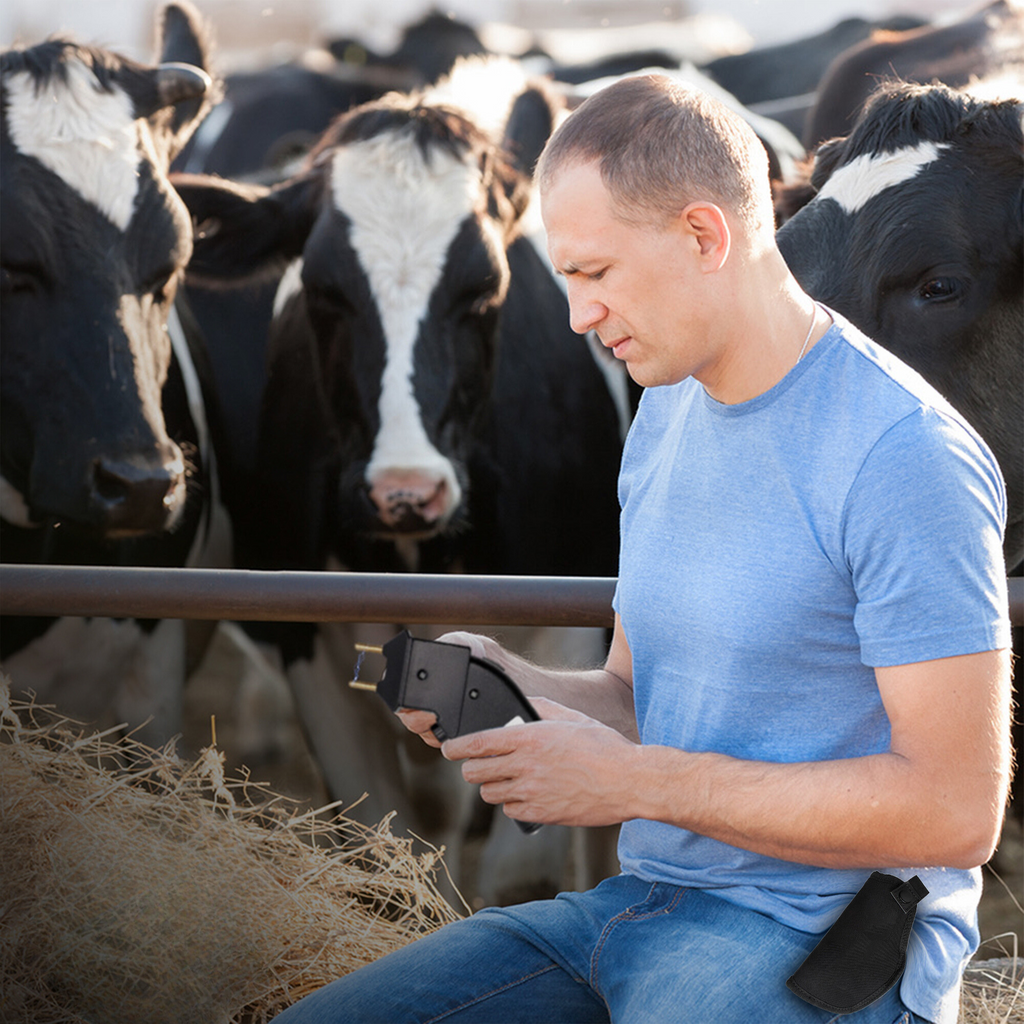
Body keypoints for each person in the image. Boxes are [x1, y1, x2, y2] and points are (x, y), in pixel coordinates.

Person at [274, 74, 1012, 1024]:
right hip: (638, 907)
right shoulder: (665, 411)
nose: (576, 314)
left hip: (823, 937)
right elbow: (634, 696)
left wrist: (632, 784)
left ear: (706, 236)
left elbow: (955, 811)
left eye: (594, 273)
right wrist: (521, 682)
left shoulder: (904, 452)